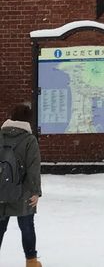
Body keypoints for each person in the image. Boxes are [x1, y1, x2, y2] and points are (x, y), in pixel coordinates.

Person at [0, 103, 42, 267]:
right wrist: (35, 191)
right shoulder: (29, 140)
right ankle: (31, 262)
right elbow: (33, 167)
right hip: (22, 191)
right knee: (26, 226)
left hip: (1, 190)